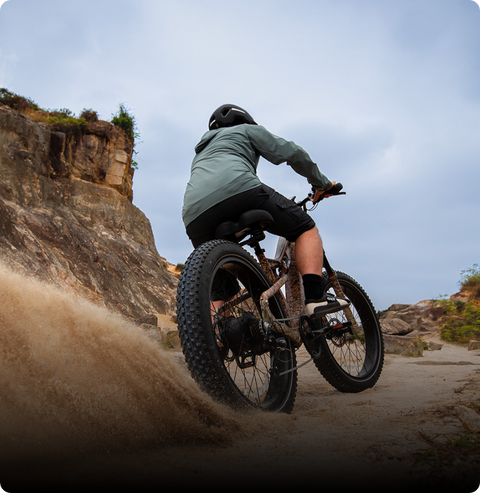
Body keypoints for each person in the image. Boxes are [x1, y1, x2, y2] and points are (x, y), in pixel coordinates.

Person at [181, 104, 349, 318]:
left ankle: (212, 335)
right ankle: (316, 298)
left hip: (194, 216)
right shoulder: (245, 130)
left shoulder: (201, 152)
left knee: (221, 288)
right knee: (305, 228)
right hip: (241, 190)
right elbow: (293, 153)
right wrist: (321, 184)